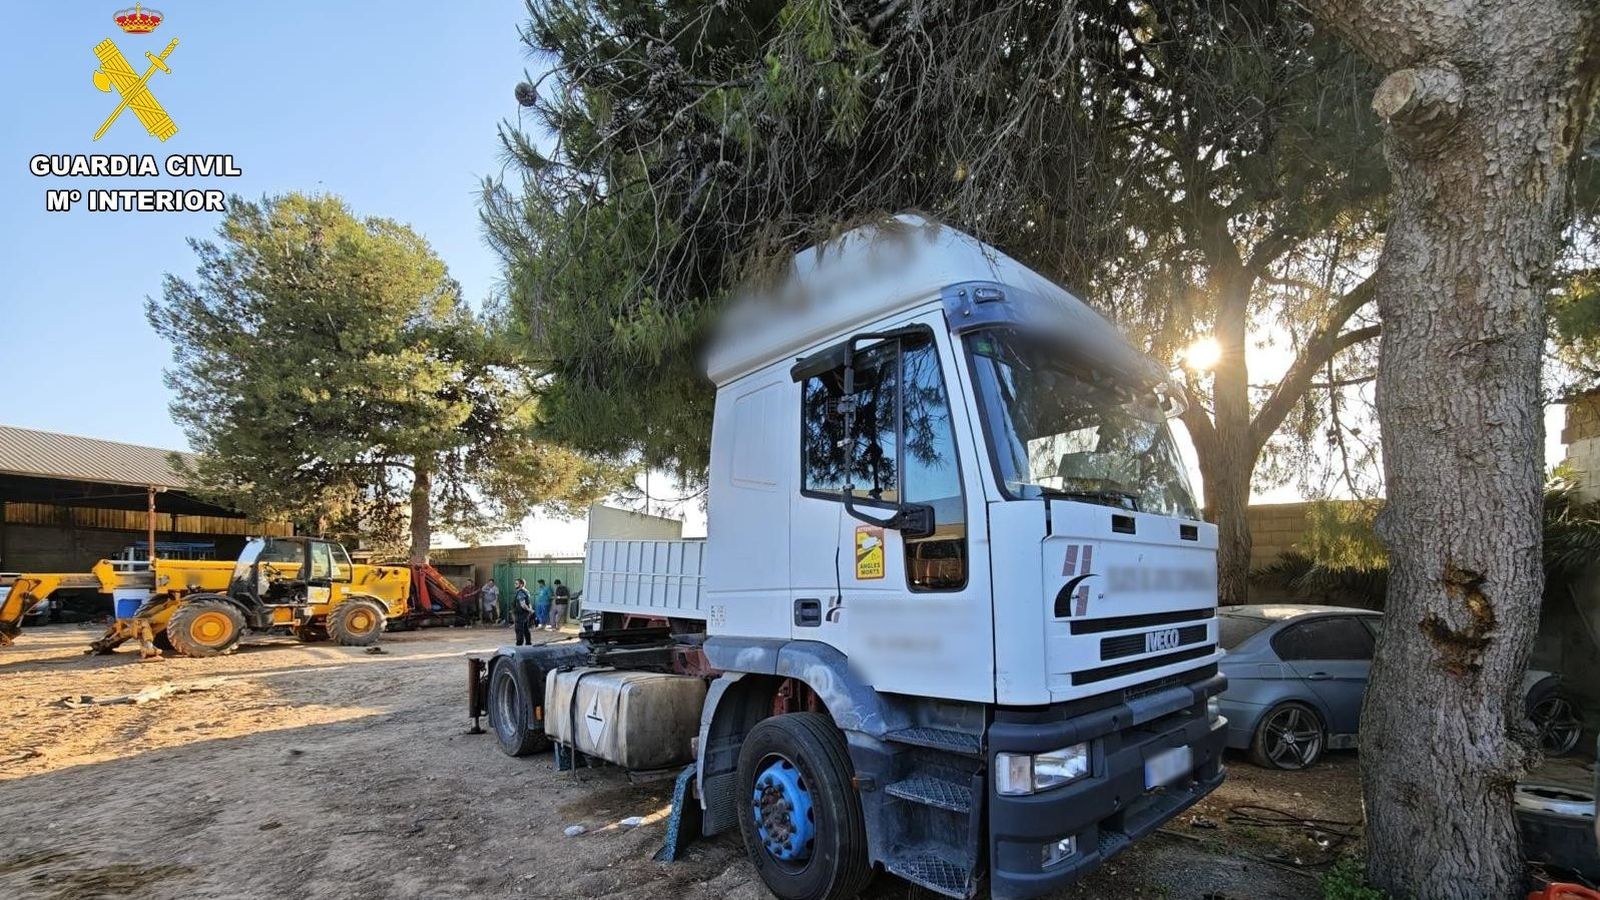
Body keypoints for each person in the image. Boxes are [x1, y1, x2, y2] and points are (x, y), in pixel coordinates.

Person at [513, 578, 534, 646]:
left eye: (516, 584)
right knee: (526, 629)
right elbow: (529, 602)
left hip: (520, 614)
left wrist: (529, 610)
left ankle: (519, 644)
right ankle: (528, 643)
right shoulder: (526, 591)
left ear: (521, 585)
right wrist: (530, 610)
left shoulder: (520, 592)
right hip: (525, 614)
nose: (515, 585)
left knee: (519, 630)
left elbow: (523, 604)